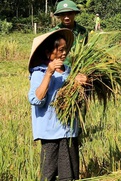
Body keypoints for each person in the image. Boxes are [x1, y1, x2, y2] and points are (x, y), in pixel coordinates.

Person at [28, 29, 88, 181]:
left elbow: (78, 100)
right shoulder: (39, 73)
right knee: (48, 175)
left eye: (65, 50)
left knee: (69, 175)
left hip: (68, 131)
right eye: (60, 50)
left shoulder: (70, 72)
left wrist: (82, 84)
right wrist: (49, 73)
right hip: (50, 133)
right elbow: (36, 99)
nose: (64, 54)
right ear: (49, 53)